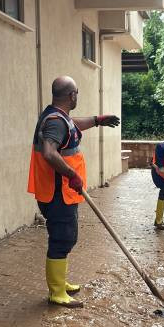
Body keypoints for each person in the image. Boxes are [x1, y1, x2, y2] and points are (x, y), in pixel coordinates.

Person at [28, 75, 119, 309]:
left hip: (62, 192)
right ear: (72, 95)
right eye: (77, 92)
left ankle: (61, 282)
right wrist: (72, 174)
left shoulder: (57, 116)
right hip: (58, 192)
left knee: (67, 236)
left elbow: (72, 124)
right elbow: (49, 152)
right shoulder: (56, 122)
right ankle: (57, 292)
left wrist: (97, 120)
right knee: (62, 238)